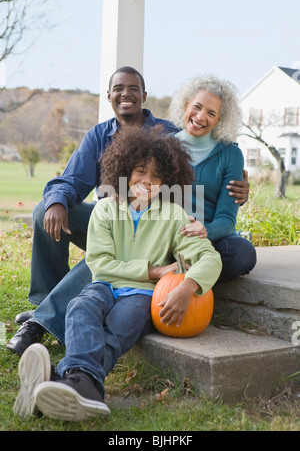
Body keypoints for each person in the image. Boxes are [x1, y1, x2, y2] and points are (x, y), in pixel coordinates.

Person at [7, 67, 248, 356]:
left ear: (144, 96)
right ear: (108, 96)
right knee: (47, 210)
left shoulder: (166, 137)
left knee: (116, 255)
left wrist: (238, 189)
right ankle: (47, 302)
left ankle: (44, 321)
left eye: (134, 89)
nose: (126, 95)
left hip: (163, 229)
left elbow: (204, 183)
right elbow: (71, 179)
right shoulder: (100, 135)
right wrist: (57, 199)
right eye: (118, 89)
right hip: (116, 219)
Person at [13, 126, 222, 421]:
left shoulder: (174, 216)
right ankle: (83, 387)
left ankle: (59, 379)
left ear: (167, 182)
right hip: (105, 286)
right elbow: (100, 264)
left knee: (118, 329)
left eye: (156, 177)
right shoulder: (105, 210)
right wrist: (153, 270)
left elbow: (209, 258)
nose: (146, 182)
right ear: (124, 170)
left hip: (142, 296)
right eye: (139, 172)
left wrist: (188, 286)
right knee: (79, 307)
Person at [169, 74, 257, 283]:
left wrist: (204, 230)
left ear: (220, 120)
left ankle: (188, 277)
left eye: (211, 113)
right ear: (185, 104)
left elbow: (227, 220)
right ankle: (190, 275)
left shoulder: (230, 155)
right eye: (197, 107)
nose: (200, 117)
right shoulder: (164, 146)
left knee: (242, 254)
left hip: (212, 238)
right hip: (170, 238)